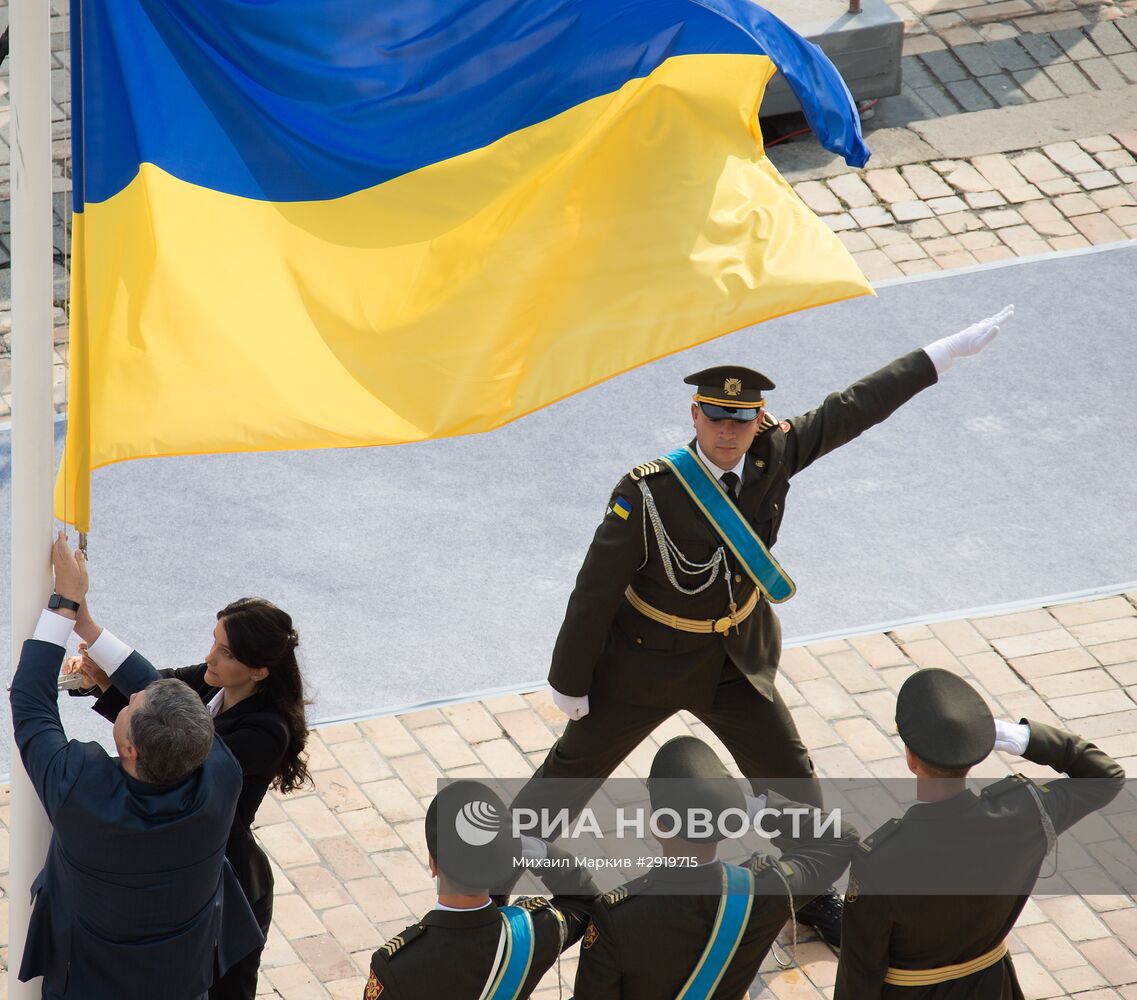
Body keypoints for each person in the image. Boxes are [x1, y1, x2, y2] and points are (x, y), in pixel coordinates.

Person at [512, 306, 1015, 944]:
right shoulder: (647, 492)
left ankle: (809, 896)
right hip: (645, 661)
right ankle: (481, 892)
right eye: (717, 417)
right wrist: (570, 679)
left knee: (791, 782)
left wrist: (938, 355)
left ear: (757, 422)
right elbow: (594, 591)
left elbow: (851, 409)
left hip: (734, 663)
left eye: (742, 419)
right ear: (694, 416)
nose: (730, 431)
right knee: (561, 784)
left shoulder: (771, 454)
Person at [10, 534, 262, 999]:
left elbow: (30, 705)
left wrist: (65, 601)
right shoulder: (220, 773)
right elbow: (156, 689)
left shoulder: (79, 790)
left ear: (130, 749)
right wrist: (86, 625)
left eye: (127, 709)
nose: (126, 702)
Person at [73, 596, 311, 1000]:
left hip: (229, 885)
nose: (209, 657)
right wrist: (98, 678)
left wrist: (90, 631)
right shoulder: (207, 679)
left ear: (259, 670)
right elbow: (150, 693)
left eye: (225, 653)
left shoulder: (266, 734)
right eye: (213, 643)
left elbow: (173, 744)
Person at [835, 667, 1125, 998]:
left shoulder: (880, 863)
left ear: (912, 760)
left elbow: (860, 971)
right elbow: (1106, 776)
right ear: (976, 753)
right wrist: (1021, 738)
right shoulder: (1026, 813)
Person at [573, 736, 859, 999]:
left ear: (659, 825)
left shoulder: (618, 917)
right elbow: (842, 836)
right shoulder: (765, 891)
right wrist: (757, 809)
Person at [365, 780, 599, 998]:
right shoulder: (533, 932)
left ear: (433, 864)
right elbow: (585, 902)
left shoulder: (394, 966)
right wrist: (540, 852)